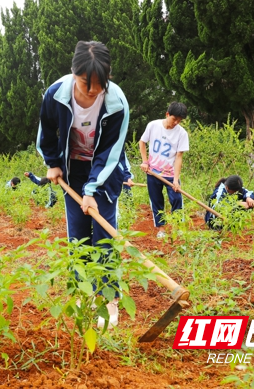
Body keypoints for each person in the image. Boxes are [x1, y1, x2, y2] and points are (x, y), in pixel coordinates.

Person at [36, 40, 130, 329]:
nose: (91, 91)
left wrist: (92, 191)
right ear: (73, 72)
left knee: (104, 232)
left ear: (108, 77)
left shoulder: (116, 103)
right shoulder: (56, 94)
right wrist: (52, 163)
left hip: (105, 171)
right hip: (73, 169)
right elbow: (46, 133)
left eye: (97, 86)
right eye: (84, 83)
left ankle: (109, 297)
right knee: (77, 233)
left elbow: (110, 152)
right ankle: (81, 292)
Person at [139, 102, 189, 239]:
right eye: (174, 119)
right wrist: (145, 162)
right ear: (167, 114)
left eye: (180, 120)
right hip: (153, 172)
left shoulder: (182, 134)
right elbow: (142, 142)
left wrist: (176, 180)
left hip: (170, 175)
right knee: (156, 201)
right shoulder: (153, 125)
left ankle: (178, 227)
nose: (176, 122)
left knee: (177, 200)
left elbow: (179, 157)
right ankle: (161, 229)